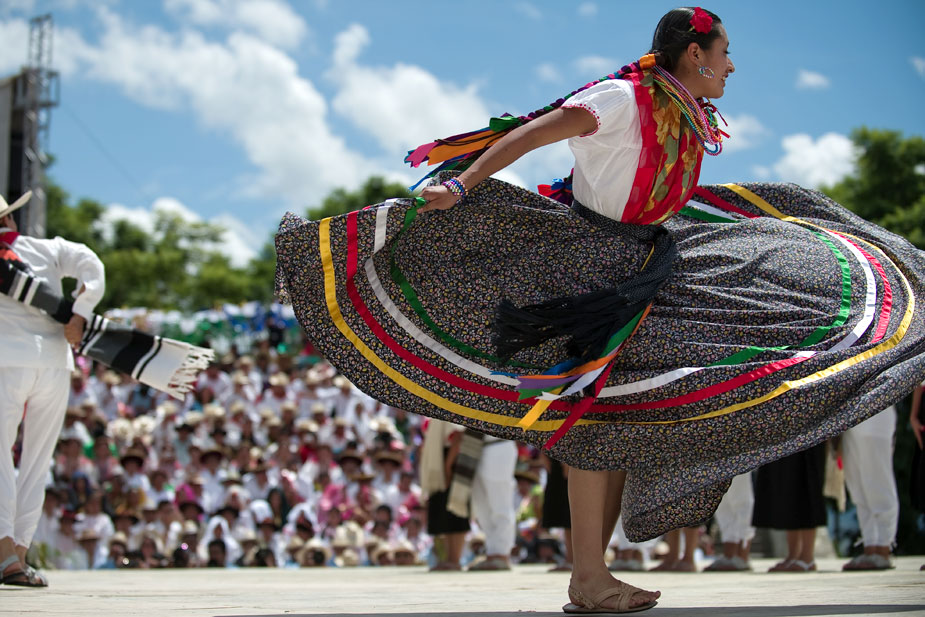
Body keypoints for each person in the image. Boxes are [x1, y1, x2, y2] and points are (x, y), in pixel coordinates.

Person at [275, 7, 925, 613]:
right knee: (593, 415)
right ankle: (589, 575)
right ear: (694, 53)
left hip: (642, 263)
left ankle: (594, 572)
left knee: (613, 414)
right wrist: (462, 183)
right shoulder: (622, 98)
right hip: (589, 261)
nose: (731, 66)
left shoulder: (683, 112)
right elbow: (534, 131)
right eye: (725, 53)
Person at [1, 191, 106, 587]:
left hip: (4, 361)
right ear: (10, 220)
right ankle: (20, 554)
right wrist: (81, 311)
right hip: (52, 363)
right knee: (36, 462)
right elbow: (92, 263)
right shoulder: (45, 248)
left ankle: (6, 555)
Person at [840, 406, 899, 570]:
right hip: (852, 416)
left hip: (877, 412)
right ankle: (870, 545)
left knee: (878, 482)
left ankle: (883, 548)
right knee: (857, 486)